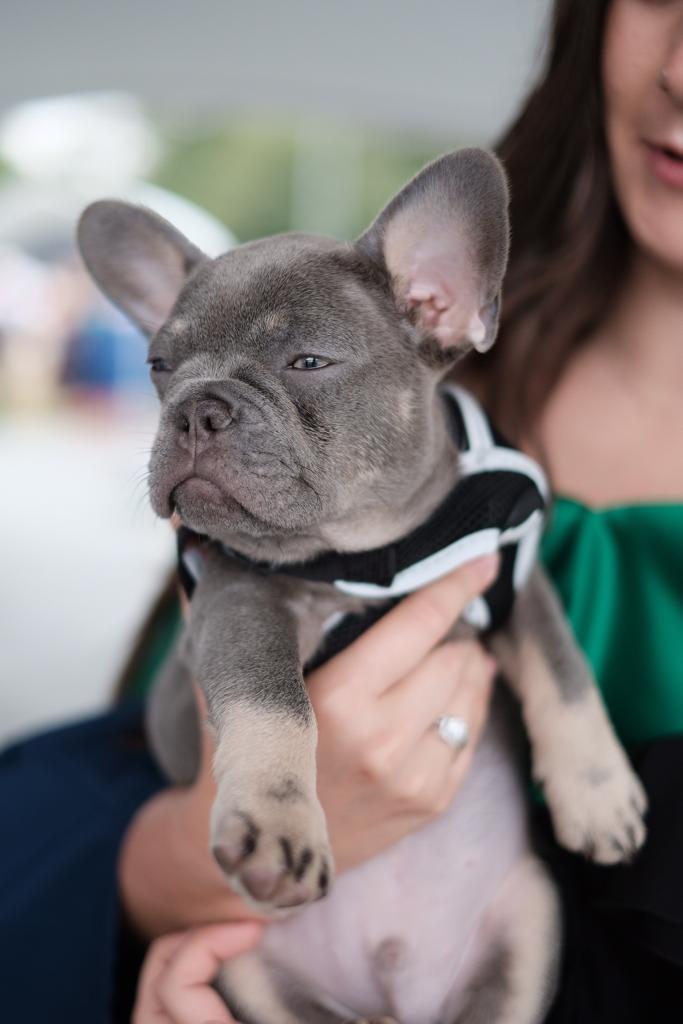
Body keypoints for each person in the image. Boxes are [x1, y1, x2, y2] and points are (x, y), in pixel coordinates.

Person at [1, 2, 681, 1022]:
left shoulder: (470, 477)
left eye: (303, 364)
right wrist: (172, 869)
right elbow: (70, 807)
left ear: (445, 298)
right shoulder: (312, 481)